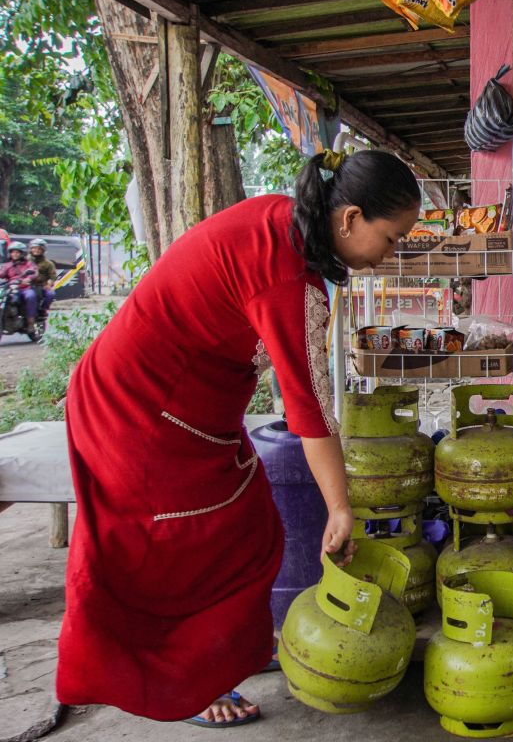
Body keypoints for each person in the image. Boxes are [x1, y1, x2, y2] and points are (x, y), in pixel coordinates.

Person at [57, 149, 421, 727]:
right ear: (350, 219)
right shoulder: (287, 280)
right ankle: (186, 683)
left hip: (192, 410)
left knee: (250, 531)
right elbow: (311, 411)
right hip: (140, 410)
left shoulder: (288, 225)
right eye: (393, 238)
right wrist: (340, 508)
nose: (390, 255)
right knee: (182, 549)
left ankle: (216, 667)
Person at [0, 241, 40, 332]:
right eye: (13, 252)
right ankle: (8, 317)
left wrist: (28, 279)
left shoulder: (28, 263)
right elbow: (1, 274)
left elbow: (34, 272)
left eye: (17, 252)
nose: (15, 254)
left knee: (30, 296)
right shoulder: (7, 265)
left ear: (22, 253)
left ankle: (31, 322)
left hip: (24, 288)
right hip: (11, 288)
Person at [29, 238, 56, 319]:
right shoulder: (25, 261)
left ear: (43, 250)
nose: (36, 250)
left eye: (39, 249)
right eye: (34, 248)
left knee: (50, 294)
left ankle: (43, 310)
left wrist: (49, 284)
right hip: (26, 285)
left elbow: (53, 276)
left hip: (41, 286)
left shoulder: (48, 263)